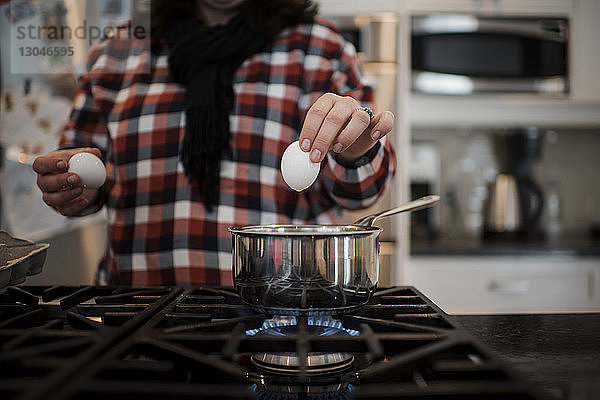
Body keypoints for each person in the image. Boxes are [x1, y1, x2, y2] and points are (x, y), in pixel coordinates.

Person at [32, 0, 397, 286]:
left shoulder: (321, 48)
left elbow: (362, 194)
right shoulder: (117, 50)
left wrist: (356, 149)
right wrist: (70, 185)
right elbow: (84, 174)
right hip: (140, 315)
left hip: (279, 311)